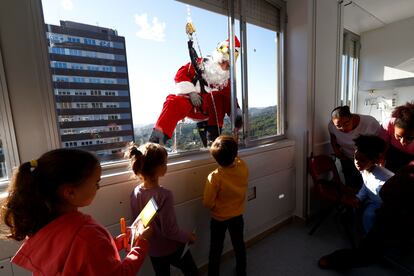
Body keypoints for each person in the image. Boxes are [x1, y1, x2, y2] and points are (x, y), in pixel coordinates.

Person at [1, 148, 150, 275]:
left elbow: (76, 259)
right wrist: (140, 245)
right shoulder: (88, 236)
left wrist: (111, 245)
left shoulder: (44, 226)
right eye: (96, 182)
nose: (98, 187)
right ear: (70, 192)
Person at [318, 161, 414, 270]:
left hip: (399, 217)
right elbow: (379, 190)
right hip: (393, 213)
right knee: (370, 233)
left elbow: (385, 193)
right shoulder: (407, 170)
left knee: (369, 250)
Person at [149, 36, 243, 147]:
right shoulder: (199, 64)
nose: (224, 66)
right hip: (192, 104)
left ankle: (213, 140)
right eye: (223, 62)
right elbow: (181, 73)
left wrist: (237, 117)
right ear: (218, 57)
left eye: (228, 65)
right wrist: (190, 92)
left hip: (212, 112)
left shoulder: (225, 81)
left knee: (218, 98)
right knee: (173, 102)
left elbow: (230, 100)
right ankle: (155, 143)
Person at [127, 142, 199, 276]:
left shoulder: (135, 192)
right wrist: (188, 236)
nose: (166, 165)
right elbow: (170, 231)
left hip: (153, 250)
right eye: (164, 163)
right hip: (172, 248)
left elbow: (136, 223)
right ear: (156, 168)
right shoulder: (164, 195)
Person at [203, 135, 249, 276]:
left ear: (216, 158)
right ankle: (242, 271)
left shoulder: (215, 177)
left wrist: (216, 206)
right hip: (237, 215)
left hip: (219, 218)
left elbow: (207, 202)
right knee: (239, 244)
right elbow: (237, 158)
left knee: (216, 249)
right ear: (235, 153)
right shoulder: (242, 167)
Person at [328, 105, 382, 189]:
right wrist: (337, 151)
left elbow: (380, 143)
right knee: (351, 184)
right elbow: (333, 138)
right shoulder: (331, 126)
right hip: (347, 158)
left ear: (352, 117)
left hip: (367, 161)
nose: (343, 128)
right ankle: (353, 201)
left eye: (346, 124)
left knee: (369, 186)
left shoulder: (370, 123)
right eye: (338, 126)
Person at [351, 135, 394, 234]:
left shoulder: (385, 179)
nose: (357, 162)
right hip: (373, 200)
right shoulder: (364, 169)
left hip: (384, 205)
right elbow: (366, 185)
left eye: (362, 160)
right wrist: (359, 197)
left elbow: (394, 199)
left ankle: (372, 241)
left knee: (369, 216)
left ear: (374, 161)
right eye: (355, 158)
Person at [381, 101, 414, 173]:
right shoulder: (388, 124)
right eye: (398, 136)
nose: (403, 142)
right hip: (392, 154)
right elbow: (382, 147)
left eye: (409, 138)